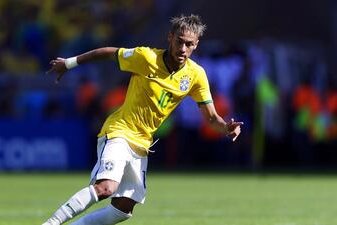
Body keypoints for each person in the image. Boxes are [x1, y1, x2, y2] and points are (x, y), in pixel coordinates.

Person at [43, 14, 243, 225]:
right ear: (170, 37)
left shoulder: (196, 75)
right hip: (119, 132)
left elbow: (212, 118)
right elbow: (106, 52)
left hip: (142, 144)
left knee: (122, 210)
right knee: (106, 188)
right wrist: (69, 63)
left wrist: (226, 128)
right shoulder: (146, 58)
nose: (183, 49)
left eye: (189, 44)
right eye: (179, 41)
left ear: (196, 45)